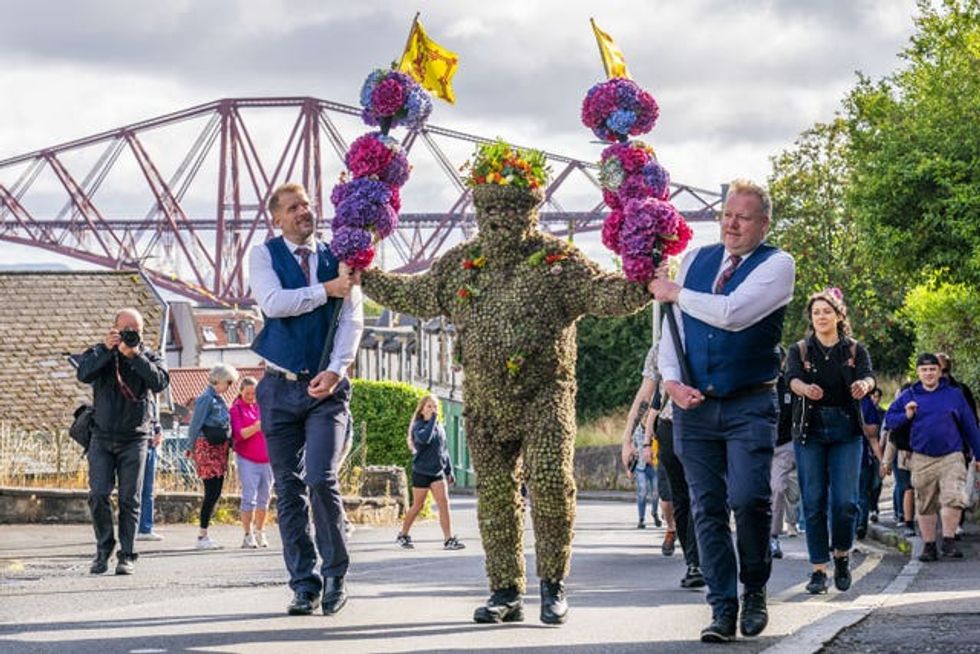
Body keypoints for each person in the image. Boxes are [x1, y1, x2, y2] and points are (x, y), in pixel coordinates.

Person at [363, 181, 652, 626]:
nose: (501, 217)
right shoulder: (461, 264)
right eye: (491, 208)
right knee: (495, 497)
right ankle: (504, 590)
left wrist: (645, 275)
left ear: (531, 211)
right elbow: (417, 295)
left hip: (546, 394)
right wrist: (365, 271)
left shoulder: (558, 262)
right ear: (479, 210)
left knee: (553, 483)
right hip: (483, 400)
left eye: (512, 208)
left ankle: (553, 585)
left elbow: (603, 293)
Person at [651, 178, 794, 642]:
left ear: (764, 223)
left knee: (749, 499)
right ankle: (721, 608)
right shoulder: (695, 259)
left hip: (750, 402)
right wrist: (671, 381)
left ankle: (754, 588)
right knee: (706, 508)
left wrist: (675, 292)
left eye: (743, 216)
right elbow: (671, 330)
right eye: (727, 214)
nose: (732, 224)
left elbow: (732, 312)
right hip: (694, 407)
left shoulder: (778, 265)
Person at [249, 182, 362, 617]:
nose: (304, 212)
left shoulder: (341, 256)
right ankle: (303, 583)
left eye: (308, 206)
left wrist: (337, 370)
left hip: (326, 390)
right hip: (278, 386)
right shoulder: (263, 255)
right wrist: (325, 290)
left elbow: (352, 319)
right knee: (289, 488)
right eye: (293, 208)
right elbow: (273, 303)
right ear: (276, 218)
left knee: (320, 477)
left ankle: (335, 574)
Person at [786, 290, 876, 595]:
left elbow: (869, 376)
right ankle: (818, 569)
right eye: (816, 313)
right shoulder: (800, 350)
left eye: (826, 311)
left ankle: (841, 555)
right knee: (812, 501)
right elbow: (792, 379)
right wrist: (803, 389)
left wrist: (864, 385)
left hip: (846, 431)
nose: (821, 317)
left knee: (846, 502)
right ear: (811, 319)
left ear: (838, 315)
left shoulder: (853, 350)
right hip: (810, 431)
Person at [76, 308, 170, 575]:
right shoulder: (100, 351)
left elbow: (160, 381)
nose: (131, 334)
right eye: (126, 329)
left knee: (130, 499)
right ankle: (104, 548)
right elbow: (83, 374)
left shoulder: (149, 355)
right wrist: (108, 350)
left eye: (136, 330)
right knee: (98, 495)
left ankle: (127, 555)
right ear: (114, 329)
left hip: (135, 438)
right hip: (102, 437)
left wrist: (135, 356)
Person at [884, 353, 980, 561]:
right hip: (921, 457)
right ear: (918, 372)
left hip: (952, 455)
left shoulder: (954, 394)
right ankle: (929, 545)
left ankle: (948, 541)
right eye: (924, 370)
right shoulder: (909, 395)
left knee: (953, 497)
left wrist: (978, 454)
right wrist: (906, 415)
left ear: (939, 372)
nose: (929, 373)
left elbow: (970, 425)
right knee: (925, 502)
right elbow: (890, 420)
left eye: (933, 369)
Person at [396, 394, 466, 551]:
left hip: (437, 472)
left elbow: (444, 450)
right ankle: (403, 534)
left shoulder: (439, 426)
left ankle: (449, 539)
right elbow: (424, 439)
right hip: (421, 471)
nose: (433, 410)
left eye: (435, 407)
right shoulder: (418, 426)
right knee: (417, 506)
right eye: (429, 406)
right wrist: (433, 421)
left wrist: (449, 470)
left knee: (444, 504)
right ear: (422, 410)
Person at [186, 363, 238, 550]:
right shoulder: (206, 399)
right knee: (211, 492)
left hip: (217, 448)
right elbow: (195, 424)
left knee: (215, 492)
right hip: (207, 447)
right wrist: (190, 448)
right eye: (228, 382)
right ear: (220, 380)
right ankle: (202, 535)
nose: (229, 386)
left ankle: (204, 534)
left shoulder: (217, 398)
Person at [230, 376, 274, 549]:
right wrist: (257, 427)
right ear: (241, 392)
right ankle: (247, 535)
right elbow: (239, 434)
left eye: (253, 393)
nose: (251, 396)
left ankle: (260, 531)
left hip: (268, 459)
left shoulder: (262, 406)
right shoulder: (236, 410)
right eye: (247, 393)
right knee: (249, 497)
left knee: (265, 498)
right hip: (247, 458)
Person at [769, 348, 800, 560]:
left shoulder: (790, 385)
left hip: (783, 445)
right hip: (755, 444)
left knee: (778, 488)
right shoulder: (752, 384)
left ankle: (773, 536)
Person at [623, 397, 660, 530]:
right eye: (644, 416)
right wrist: (628, 468)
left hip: (654, 466)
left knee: (656, 493)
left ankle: (655, 512)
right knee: (642, 492)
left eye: (648, 416)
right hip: (640, 467)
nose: (646, 419)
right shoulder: (636, 431)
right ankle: (641, 519)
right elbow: (631, 450)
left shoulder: (656, 430)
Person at [856, 388, 884, 539]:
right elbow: (873, 435)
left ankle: (859, 524)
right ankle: (858, 524)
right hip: (860, 457)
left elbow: (873, 437)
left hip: (862, 457)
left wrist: (882, 461)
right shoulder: (868, 405)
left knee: (861, 493)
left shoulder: (867, 404)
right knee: (861, 493)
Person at [136, 416, 165, 542]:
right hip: (137, 445)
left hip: (151, 446)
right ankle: (132, 527)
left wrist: (159, 433)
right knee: (134, 488)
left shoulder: (152, 399)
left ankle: (145, 528)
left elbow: (155, 420)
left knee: (148, 489)